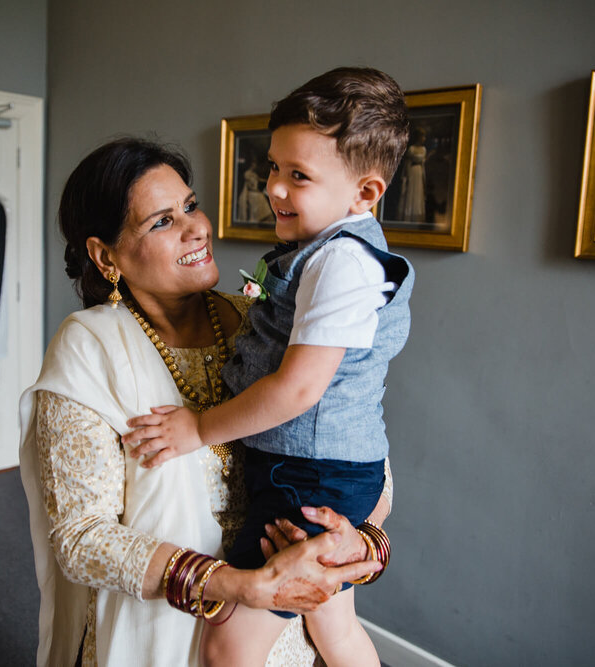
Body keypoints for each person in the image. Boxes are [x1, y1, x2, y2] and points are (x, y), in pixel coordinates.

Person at [18, 137, 391, 667]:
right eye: (162, 221)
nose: (197, 228)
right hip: (165, 632)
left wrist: (358, 544)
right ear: (105, 256)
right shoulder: (90, 347)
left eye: (190, 205)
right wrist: (242, 587)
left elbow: (356, 451)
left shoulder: (262, 320)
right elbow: (81, 539)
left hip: (287, 631)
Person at [124, 67, 413, 667]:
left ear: (365, 193)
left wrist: (199, 429)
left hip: (308, 476)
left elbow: (300, 387)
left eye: (298, 176)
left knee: (229, 645)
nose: (275, 188)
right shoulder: (324, 252)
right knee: (334, 627)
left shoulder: (343, 263)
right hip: (321, 468)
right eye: (274, 168)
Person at [398, 126, 429, 222]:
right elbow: (409, 162)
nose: (424, 138)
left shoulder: (423, 149)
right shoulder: (411, 149)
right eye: (422, 136)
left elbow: (422, 161)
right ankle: (408, 215)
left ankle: (417, 217)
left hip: (419, 172)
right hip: (412, 172)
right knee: (411, 192)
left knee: (418, 192)